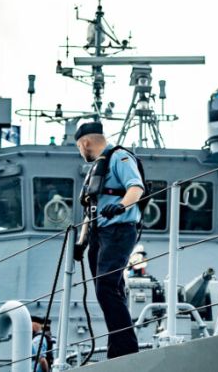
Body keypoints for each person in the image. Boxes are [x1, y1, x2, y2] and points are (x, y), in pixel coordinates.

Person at [74, 121, 142, 358]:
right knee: (107, 290)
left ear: (85, 143)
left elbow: (136, 188)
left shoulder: (119, 158)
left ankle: (126, 349)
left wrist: (120, 206)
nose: (81, 152)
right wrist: (81, 242)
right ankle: (117, 347)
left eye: (79, 148)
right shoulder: (96, 168)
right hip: (98, 235)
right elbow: (90, 209)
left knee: (107, 287)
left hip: (118, 230)